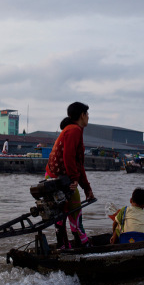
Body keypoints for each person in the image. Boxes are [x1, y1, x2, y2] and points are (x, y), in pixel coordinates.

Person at [46, 101, 95, 249]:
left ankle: (63, 246)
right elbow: (69, 158)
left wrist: (86, 188)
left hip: (53, 177)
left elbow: (77, 164)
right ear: (82, 115)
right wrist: (75, 180)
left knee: (60, 213)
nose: (88, 117)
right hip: (60, 180)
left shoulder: (70, 129)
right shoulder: (74, 130)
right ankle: (82, 244)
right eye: (87, 114)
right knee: (74, 211)